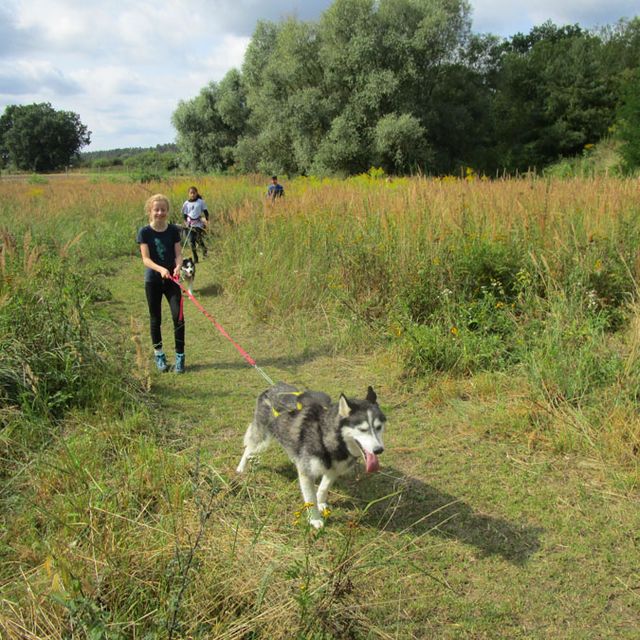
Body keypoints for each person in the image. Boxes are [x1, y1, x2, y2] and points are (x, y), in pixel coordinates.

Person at [136, 194, 186, 374]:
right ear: (150, 211)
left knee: (178, 318)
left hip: (172, 280)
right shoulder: (144, 232)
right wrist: (161, 269)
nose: (160, 213)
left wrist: (178, 266)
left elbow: (178, 254)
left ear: (167, 211)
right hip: (154, 281)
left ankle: (180, 357)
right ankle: (159, 355)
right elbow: (146, 259)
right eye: (156, 209)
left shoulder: (173, 230)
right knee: (155, 318)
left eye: (163, 209)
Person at [181, 186, 209, 263]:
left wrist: (207, 221)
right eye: (191, 193)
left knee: (198, 240)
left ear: (196, 193)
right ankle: (195, 259)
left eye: (194, 193)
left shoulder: (201, 202)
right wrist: (185, 222)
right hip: (189, 224)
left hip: (198, 224)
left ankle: (204, 250)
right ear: (188, 194)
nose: (192, 194)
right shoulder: (186, 203)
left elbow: (206, 212)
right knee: (191, 242)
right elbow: (184, 215)